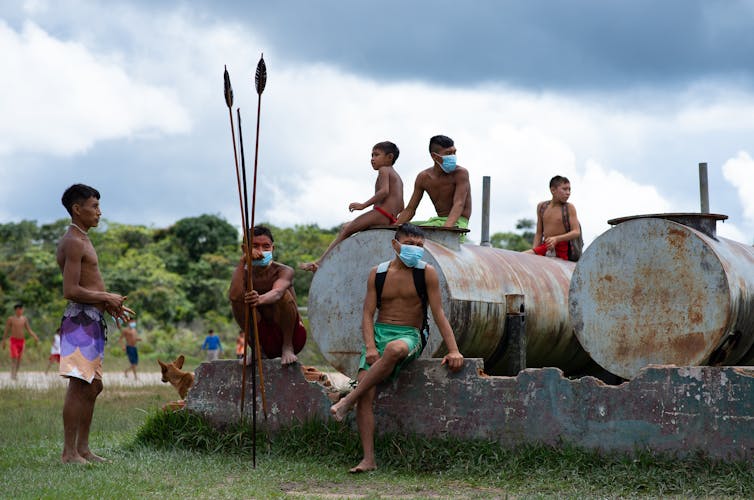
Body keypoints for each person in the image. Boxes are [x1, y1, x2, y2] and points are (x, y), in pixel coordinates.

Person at [330, 223, 464, 473]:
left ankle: (346, 400)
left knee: (393, 350)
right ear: (395, 244)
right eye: (410, 244)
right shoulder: (377, 273)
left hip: (410, 335)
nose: (415, 249)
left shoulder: (427, 273)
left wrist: (453, 349)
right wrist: (370, 346)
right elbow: (368, 313)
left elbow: (438, 314)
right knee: (366, 395)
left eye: (420, 246)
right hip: (379, 333)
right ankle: (368, 459)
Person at [56, 183, 133, 464]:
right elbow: (70, 290)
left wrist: (111, 305)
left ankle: (83, 449)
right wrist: (105, 296)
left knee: (93, 386)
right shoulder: (74, 241)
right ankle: (69, 452)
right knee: (80, 384)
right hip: (79, 319)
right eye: (94, 207)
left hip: (92, 318)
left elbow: (87, 284)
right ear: (77, 209)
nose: (100, 212)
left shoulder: (84, 239)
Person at [300, 141, 404, 272]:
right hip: (390, 217)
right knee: (346, 226)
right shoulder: (397, 177)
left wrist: (363, 205)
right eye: (371, 155)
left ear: (389, 157)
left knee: (346, 230)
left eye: (376, 155)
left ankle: (320, 263)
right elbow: (401, 205)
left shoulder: (384, 170)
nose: (372, 159)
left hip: (382, 214)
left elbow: (384, 192)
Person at [230, 225, 307, 366]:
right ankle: (256, 350)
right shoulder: (244, 274)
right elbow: (234, 297)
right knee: (239, 301)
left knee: (284, 294)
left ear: (273, 248)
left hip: (292, 336)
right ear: (244, 249)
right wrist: (243, 261)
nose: (260, 251)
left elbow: (277, 293)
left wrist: (259, 299)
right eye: (254, 246)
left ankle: (287, 348)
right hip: (262, 338)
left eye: (266, 246)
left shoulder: (284, 270)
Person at [396, 135, 471, 235]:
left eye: (454, 152)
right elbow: (410, 209)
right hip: (437, 221)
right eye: (448, 153)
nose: (453, 156)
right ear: (434, 156)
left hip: (458, 222)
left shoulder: (461, 173)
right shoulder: (423, 177)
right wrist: (395, 227)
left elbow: (459, 203)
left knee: (416, 233)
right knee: (404, 230)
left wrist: (446, 231)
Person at [526, 175, 581, 260]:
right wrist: (534, 252)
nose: (568, 193)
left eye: (569, 189)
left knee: (524, 254)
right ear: (553, 190)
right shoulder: (542, 207)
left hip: (562, 249)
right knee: (525, 256)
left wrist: (557, 239)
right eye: (564, 189)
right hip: (545, 246)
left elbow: (576, 231)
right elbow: (539, 233)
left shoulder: (569, 207)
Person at [2, 303, 40, 380]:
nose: (20, 311)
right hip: (13, 341)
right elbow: (6, 331)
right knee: (14, 357)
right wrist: (3, 341)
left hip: (21, 342)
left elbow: (29, 330)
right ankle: (12, 375)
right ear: (16, 310)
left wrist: (35, 336)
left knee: (19, 359)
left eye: (21, 309)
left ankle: (15, 374)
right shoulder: (11, 319)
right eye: (19, 309)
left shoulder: (24, 319)